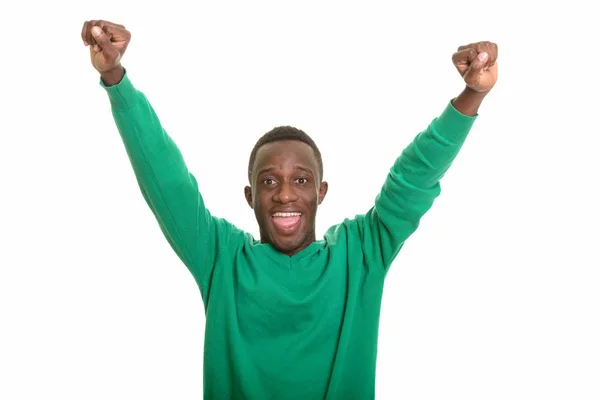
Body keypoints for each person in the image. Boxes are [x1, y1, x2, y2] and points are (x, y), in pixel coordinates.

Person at [81, 19, 498, 399]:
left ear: (321, 193)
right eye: (268, 182)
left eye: (301, 180)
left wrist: (472, 94)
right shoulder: (221, 259)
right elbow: (167, 181)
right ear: (250, 196)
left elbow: (412, 179)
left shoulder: (360, 253)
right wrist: (115, 77)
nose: (284, 195)